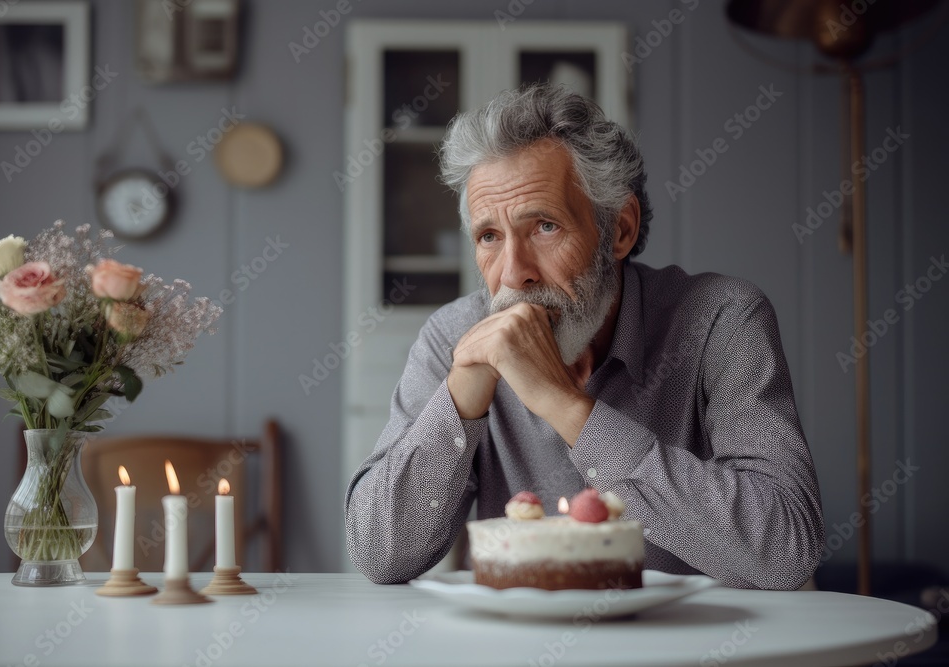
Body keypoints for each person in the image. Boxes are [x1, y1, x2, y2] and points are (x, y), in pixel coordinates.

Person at [344, 84, 824, 590]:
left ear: (620, 230)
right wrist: (461, 399)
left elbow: (786, 552)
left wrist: (566, 407)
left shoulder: (721, 319)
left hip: (685, 633)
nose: (514, 275)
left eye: (545, 227)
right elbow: (378, 555)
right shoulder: (452, 339)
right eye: (489, 237)